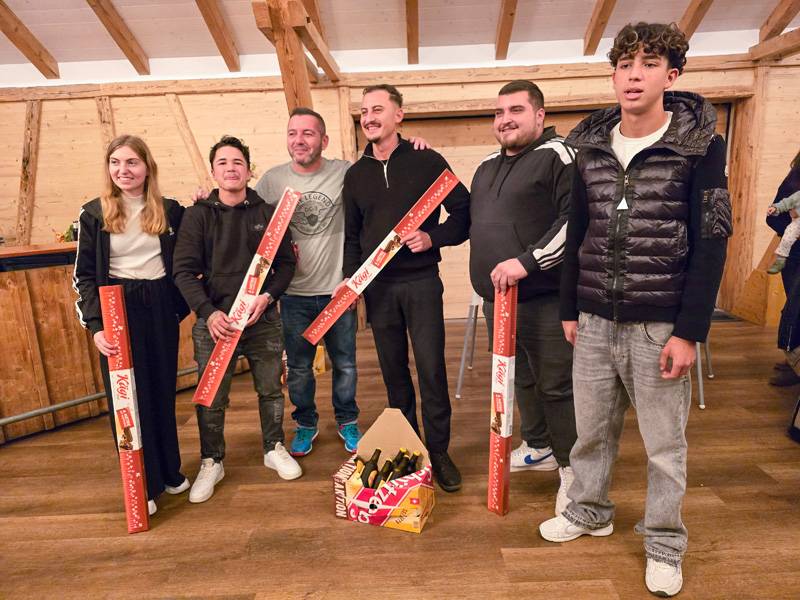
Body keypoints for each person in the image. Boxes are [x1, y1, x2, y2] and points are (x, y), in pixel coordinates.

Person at [538, 23, 730, 598]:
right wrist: (570, 307)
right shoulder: (590, 146)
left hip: (659, 325)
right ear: (614, 75)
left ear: (672, 76)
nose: (634, 75)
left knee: (664, 448)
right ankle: (589, 511)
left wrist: (690, 330)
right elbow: (577, 230)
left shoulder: (701, 146)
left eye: (649, 64)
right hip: (595, 318)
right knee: (590, 433)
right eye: (625, 64)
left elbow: (713, 238)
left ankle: (665, 543)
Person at [338, 84, 471, 492]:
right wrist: (351, 280)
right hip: (378, 290)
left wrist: (434, 238)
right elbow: (352, 236)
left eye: (378, 109)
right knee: (394, 374)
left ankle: (440, 452)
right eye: (364, 111)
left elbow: (464, 212)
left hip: (421, 283)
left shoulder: (426, 160)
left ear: (399, 115)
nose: (369, 117)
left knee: (431, 370)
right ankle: (410, 450)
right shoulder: (355, 175)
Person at [469, 80, 577, 514]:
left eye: (516, 110)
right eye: (499, 112)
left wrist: (528, 262)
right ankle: (540, 446)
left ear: (540, 115)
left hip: (545, 299)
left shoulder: (559, 156)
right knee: (522, 381)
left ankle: (573, 470)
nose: (505, 119)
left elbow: (575, 222)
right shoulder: (485, 166)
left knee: (557, 387)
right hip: (498, 301)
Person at [173, 135, 299, 504]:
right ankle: (212, 461)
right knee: (212, 398)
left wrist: (268, 296)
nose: (231, 168)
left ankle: (274, 447)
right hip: (216, 325)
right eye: (223, 163)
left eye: (238, 162)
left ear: (249, 170)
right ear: (213, 172)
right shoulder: (197, 215)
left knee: (271, 390)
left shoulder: (268, 214)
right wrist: (207, 312)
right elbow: (183, 271)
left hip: (263, 321)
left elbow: (286, 265)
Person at [73, 134, 191, 517]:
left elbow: (186, 261)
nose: (123, 170)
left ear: (147, 167)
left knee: (161, 391)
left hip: (159, 306)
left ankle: (169, 471)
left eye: (131, 162)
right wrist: (96, 326)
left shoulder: (170, 211)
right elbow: (84, 277)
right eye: (116, 163)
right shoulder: (93, 214)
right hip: (116, 308)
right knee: (127, 398)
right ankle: (143, 482)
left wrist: (176, 309)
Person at [254, 108, 361, 456]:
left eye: (308, 133)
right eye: (293, 133)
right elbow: (244, 215)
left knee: (345, 364)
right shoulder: (271, 181)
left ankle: (347, 420)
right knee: (299, 368)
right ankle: (305, 423)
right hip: (294, 294)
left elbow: (382, 164)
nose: (299, 140)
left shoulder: (344, 172)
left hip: (337, 292)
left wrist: (413, 143)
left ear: (324, 140)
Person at [767, 149, 800, 386]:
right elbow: (774, 216)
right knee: (794, 309)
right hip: (795, 254)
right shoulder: (795, 178)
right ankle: (794, 362)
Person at [766, 190, 800, 274]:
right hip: (798, 222)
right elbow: (787, 202)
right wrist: (776, 208)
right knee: (787, 238)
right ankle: (780, 261)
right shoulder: (798, 195)